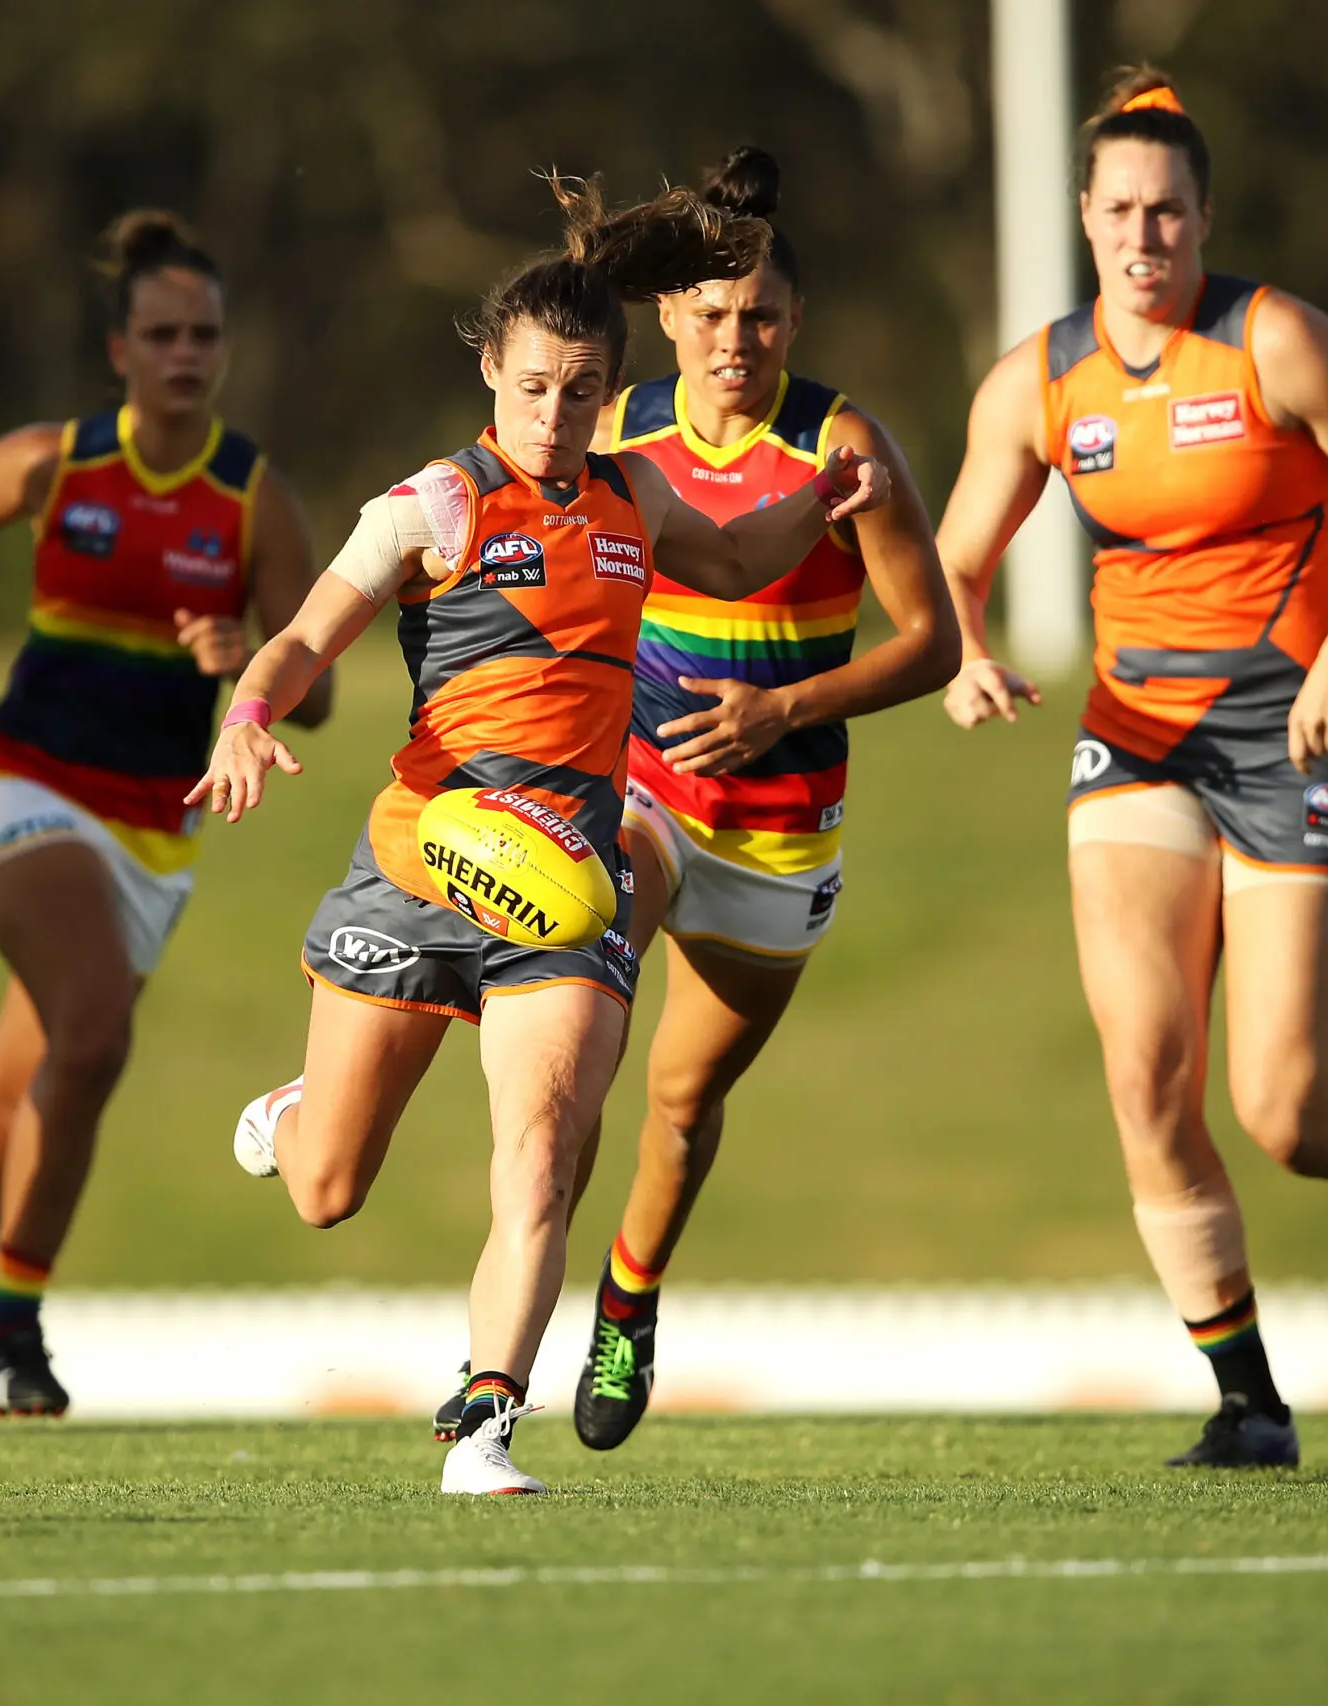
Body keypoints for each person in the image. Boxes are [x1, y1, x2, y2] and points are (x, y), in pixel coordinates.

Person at [198, 175, 891, 1494]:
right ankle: (296, 1109)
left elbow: (739, 559)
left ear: (610, 390)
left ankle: (484, 1425)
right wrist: (245, 716)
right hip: (422, 859)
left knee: (543, 1158)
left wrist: (825, 498)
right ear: (491, 374)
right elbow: (301, 637)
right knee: (328, 1186)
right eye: (532, 389)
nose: (554, 417)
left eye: (579, 393)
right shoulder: (433, 505)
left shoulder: (637, 498)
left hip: (568, 881)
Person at [932, 69, 1328, 1470]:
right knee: (1145, 1072)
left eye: (1169, 212)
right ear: (1084, 216)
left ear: (1205, 219)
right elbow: (953, 557)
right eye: (1121, 210)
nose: (1145, 236)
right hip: (1136, 738)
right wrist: (964, 653)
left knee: (1288, 1111)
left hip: (1301, 735)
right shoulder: (1039, 380)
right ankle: (1249, 1403)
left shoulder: (1275, 343)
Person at [474, 145, 956, 1453]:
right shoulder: (615, 430)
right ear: (669, 316)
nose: (736, 340)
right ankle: (510, 1321)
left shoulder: (841, 446)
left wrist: (784, 710)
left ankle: (628, 1296)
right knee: (578, 1048)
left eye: (761, 317)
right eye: (712, 314)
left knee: (682, 1107)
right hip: (640, 794)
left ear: (795, 321)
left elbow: (934, 645)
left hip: (780, 835)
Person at [0, 212, 329, 1430]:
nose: (184, 354)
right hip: (21, 789)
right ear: (118, 349)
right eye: (161, 334)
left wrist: (244, 659)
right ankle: (15, 1322)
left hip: (155, 836)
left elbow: (316, 689)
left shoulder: (251, 496)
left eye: (203, 335)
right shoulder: (50, 462)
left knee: (27, 1086)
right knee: (97, 1030)